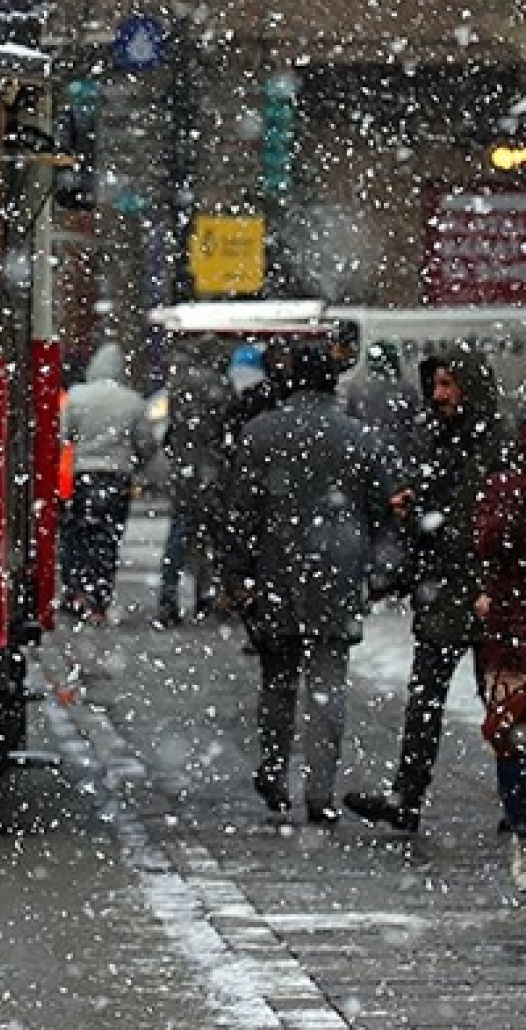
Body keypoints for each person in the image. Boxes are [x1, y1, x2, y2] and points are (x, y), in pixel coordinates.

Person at [225, 339, 394, 825]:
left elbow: (241, 513)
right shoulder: (359, 437)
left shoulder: (259, 433)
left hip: (277, 570)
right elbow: (382, 510)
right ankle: (320, 791)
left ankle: (274, 772)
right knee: (328, 683)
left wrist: (239, 575)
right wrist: (379, 570)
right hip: (338, 572)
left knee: (277, 679)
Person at [344, 347, 508, 833]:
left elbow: (493, 514)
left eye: (448, 385)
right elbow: (435, 506)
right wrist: (412, 508)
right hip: (446, 589)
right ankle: (407, 795)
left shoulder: (497, 442)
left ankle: (516, 799)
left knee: (500, 702)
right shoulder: (435, 438)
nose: (439, 395)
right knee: (426, 699)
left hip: (487, 589)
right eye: (435, 385)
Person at [60, 343, 154, 621]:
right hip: (117, 477)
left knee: (79, 535)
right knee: (108, 539)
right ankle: (100, 598)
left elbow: (63, 435)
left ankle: (77, 591)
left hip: (84, 474)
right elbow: (146, 444)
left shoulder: (77, 397)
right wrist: (135, 464)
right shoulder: (133, 401)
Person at [472, 424, 526, 891]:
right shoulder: (506, 487)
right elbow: (488, 542)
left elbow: (489, 542)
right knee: (508, 732)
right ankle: (521, 823)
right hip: (513, 631)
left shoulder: (504, 487)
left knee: (510, 733)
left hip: (512, 627)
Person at [155, 340, 235, 626]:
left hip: (185, 469)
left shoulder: (179, 385)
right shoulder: (220, 386)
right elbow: (225, 429)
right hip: (210, 471)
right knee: (209, 537)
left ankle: (168, 598)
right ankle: (205, 596)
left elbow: (173, 430)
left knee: (179, 535)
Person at [345, 340, 421, 473]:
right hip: (400, 459)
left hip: (367, 458)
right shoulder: (407, 390)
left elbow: (350, 424)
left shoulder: (357, 388)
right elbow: (414, 427)